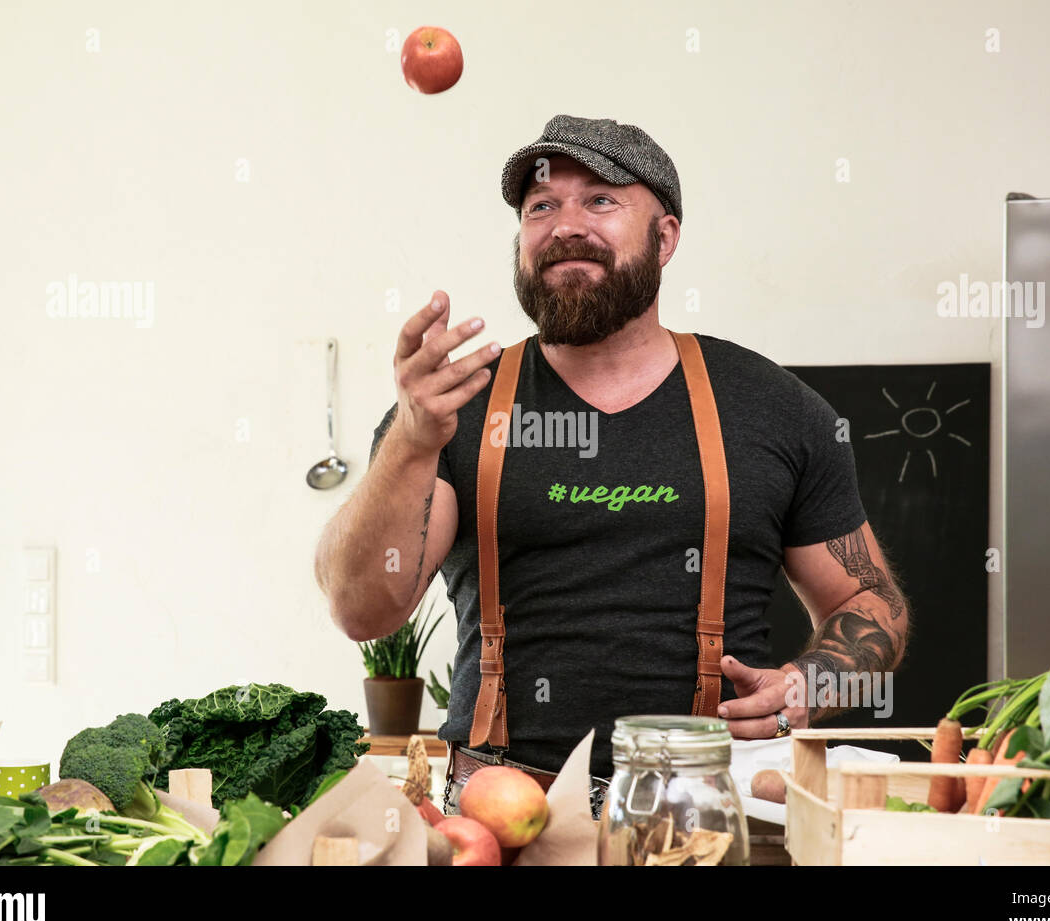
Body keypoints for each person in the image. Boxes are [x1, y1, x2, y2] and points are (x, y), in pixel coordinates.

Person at [316, 115, 911, 817]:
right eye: (541, 206)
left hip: (708, 820)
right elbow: (360, 610)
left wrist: (812, 685)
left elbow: (873, 603)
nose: (565, 224)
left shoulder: (775, 408)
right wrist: (412, 441)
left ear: (665, 237)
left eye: (600, 199)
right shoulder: (452, 409)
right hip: (496, 822)